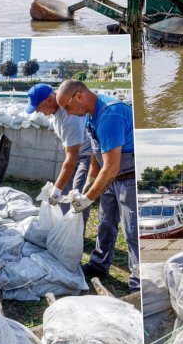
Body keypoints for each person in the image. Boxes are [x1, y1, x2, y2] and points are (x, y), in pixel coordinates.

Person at [56, 79, 139, 292]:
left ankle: (139, 283)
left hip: (128, 178)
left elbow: (112, 166)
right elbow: (96, 153)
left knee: (132, 232)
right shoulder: (90, 116)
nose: (69, 113)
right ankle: (99, 264)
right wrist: (90, 184)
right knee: (105, 222)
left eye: (67, 107)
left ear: (79, 96)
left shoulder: (110, 115)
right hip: (112, 178)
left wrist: (89, 198)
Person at [26, 83, 92, 217]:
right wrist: (59, 188)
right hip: (75, 156)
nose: (38, 112)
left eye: (38, 107)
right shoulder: (55, 115)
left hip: (88, 156)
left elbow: (71, 157)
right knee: (64, 190)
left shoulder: (69, 116)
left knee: (78, 194)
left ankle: (76, 234)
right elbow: (67, 151)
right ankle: (62, 225)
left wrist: (56, 190)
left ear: (49, 100)